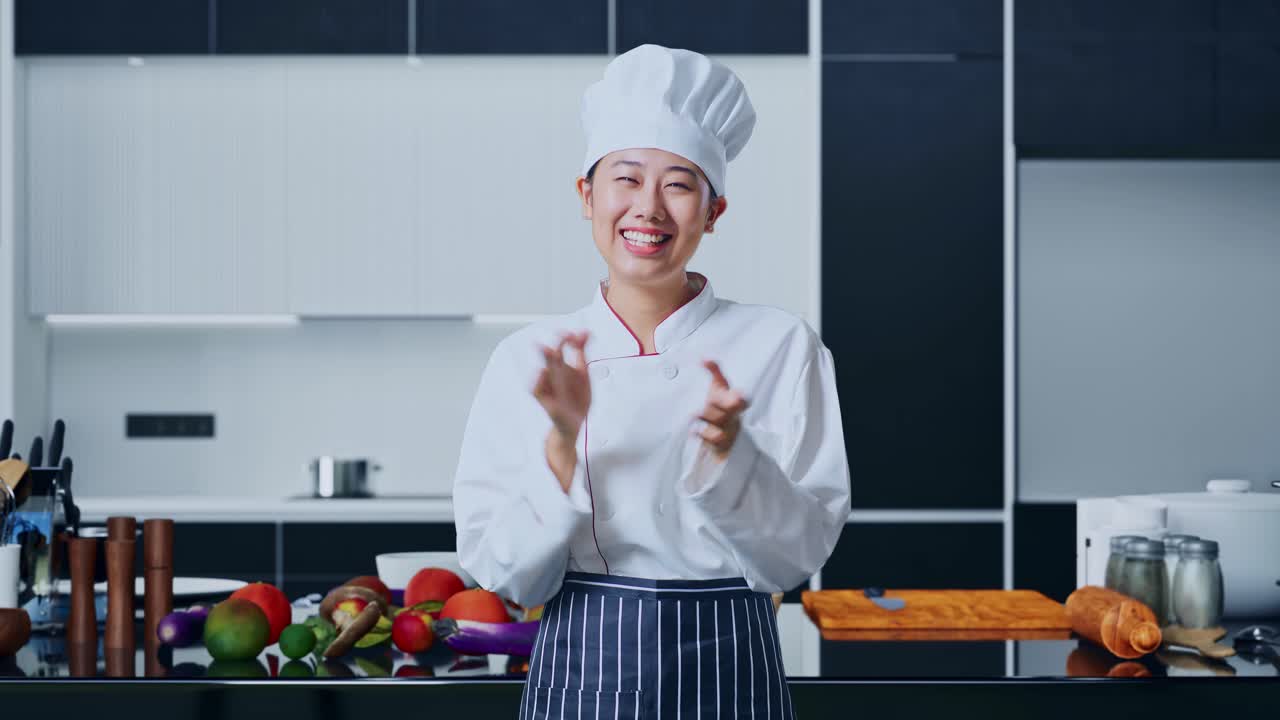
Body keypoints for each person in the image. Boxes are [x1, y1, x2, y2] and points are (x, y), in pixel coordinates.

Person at [453, 44, 851, 720]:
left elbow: (796, 558)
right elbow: (507, 576)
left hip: (732, 664)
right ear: (587, 195)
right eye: (627, 179)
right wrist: (561, 442)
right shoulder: (528, 358)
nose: (649, 208)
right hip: (581, 666)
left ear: (714, 210)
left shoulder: (781, 344)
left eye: (678, 183)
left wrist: (733, 457)